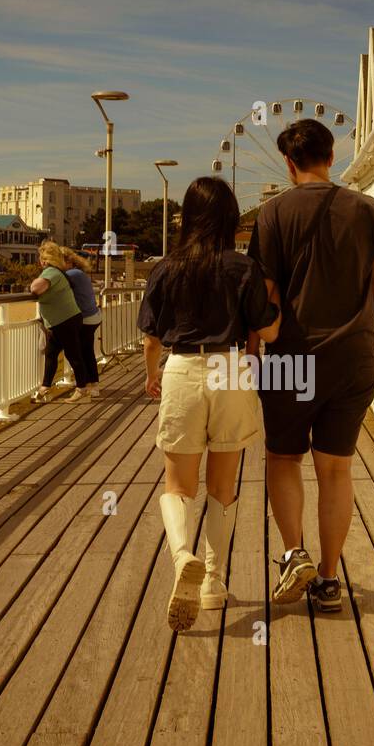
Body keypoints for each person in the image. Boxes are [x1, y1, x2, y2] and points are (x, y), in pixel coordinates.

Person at [247, 118, 374, 612]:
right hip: (354, 359)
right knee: (336, 470)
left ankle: (294, 553)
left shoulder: (272, 215)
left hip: (289, 361)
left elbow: (267, 294)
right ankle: (328, 578)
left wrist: (252, 351)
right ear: (332, 157)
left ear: (289, 163)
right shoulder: (370, 211)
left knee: (283, 459)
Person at [139, 176, 280, 632]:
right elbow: (270, 331)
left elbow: (152, 337)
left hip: (182, 368)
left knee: (178, 486)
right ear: (227, 218)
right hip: (230, 368)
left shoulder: (165, 268)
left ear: (188, 215)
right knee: (224, 485)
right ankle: (214, 584)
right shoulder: (242, 269)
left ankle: (184, 557)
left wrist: (151, 375)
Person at [30, 241, 93, 403]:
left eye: (40, 258)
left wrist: (31, 285)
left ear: (44, 260)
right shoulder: (57, 272)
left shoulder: (51, 272)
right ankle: (45, 387)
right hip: (63, 320)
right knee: (51, 353)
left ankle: (82, 389)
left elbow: (36, 289)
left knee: (73, 355)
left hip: (65, 321)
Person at [61, 250, 104, 399]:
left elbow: (52, 283)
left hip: (86, 318)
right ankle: (91, 383)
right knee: (86, 351)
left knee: (79, 352)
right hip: (93, 316)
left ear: (69, 262)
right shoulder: (79, 273)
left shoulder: (71, 274)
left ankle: (87, 385)